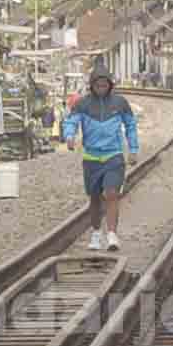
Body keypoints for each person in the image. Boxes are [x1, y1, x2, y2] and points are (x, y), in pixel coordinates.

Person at [63, 61, 139, 253]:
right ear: (92, 86)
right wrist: (70, 136)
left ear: (110, 85)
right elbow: (71, 121)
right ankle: (96, 233)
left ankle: (112, 234)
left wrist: (133, 148)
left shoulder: (120, 103)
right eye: (98, 86)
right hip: (91, 158)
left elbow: (130, 125)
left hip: (114, 156)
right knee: (95, 198)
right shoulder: (83, 103)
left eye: (105, 86)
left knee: (112, 194)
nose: (102, 89)